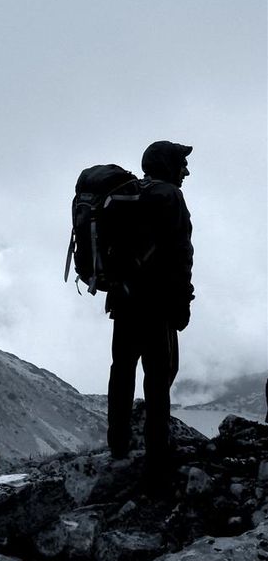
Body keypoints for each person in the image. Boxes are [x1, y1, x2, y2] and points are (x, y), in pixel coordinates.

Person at [106, 141, 194, 474]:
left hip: (123, 300)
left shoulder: (127, 193)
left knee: (122, 370)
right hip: (157, 304)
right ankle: (157, 454)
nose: (186, 171)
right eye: (181, 163)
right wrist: (183, 301)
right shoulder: (170, 196)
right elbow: (180, 254)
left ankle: (118, 444)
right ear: (167, 164)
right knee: (159, 376)